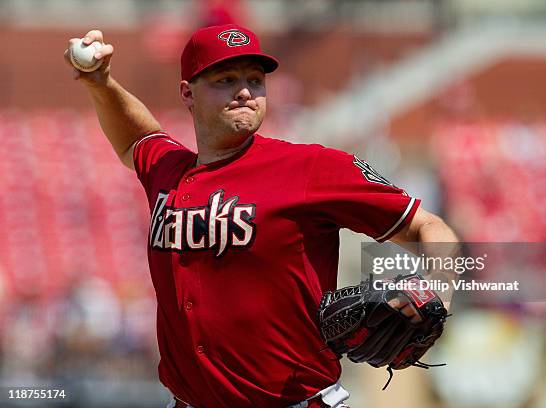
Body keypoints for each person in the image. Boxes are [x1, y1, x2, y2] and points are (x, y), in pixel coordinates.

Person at [64, 24, 458, 408]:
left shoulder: (310, 168)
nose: (245, 92)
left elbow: (429, 227)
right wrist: (101, 83)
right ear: (188, 93)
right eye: (225, 79)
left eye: (256, 79)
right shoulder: (168, 170)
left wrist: (438, 287)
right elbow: (138, 137)